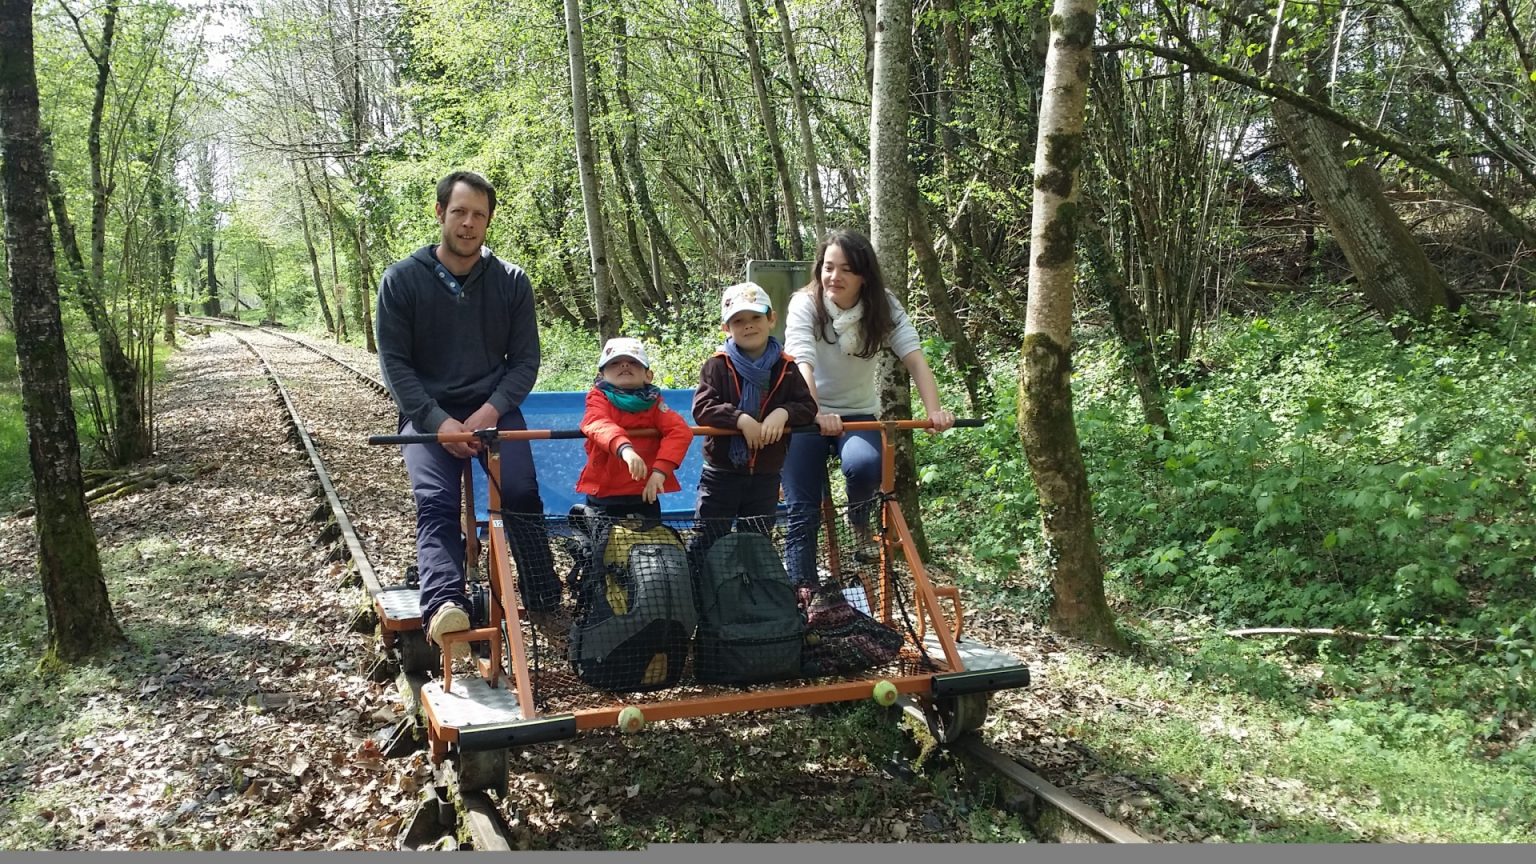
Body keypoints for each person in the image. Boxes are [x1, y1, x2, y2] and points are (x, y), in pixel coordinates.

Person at [376, 170, 560, 660]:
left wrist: (488, 412)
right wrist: (438, 423)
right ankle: (445, 606)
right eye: (459, 212)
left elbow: (525, 362)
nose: (468, 223)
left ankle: (543, 598)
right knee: (435, 502)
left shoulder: (512, 282)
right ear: (440, 213)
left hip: (493, 412)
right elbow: (395, 365)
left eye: (479, 214)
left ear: (489, 220)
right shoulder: (401, 280)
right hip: (427, 417)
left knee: (520, 493)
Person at [780, 228, 956, 587]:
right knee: (803, 508)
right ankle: (802, 590)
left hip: (857, 412)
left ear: (864, 275)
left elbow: (914, 357)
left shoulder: (882, 305)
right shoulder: (806, 304)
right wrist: (816, 413)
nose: (835, 277)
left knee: (866, 467)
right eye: (828, 267)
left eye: (846, 269)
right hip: (804, 413)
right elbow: (801, 362)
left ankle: (859, 520)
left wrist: (935, 411)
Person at [692, 282, 816, 551]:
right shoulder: (717, 365)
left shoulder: (787, 366)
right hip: (721, 473)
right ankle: (702, 579)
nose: (748, 325)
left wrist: (783, 413)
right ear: (727, 328)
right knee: (708, 540)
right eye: (738, 321)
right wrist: (739, 419)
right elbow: (702, 408)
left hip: (766, 473)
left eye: (756, 317)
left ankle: (750, 580)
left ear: (771, 319)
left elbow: (807, 406)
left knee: (756, 543)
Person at [575, 337, 693, 524]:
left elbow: (680, 431)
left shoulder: (655, 403)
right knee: (605, 541)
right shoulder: (597, 398)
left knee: (651, 540)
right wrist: (626, 450)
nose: (624, 365)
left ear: (648, 375)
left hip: (645, 492)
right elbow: (597, 422)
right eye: (615, 363)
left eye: (633, 362)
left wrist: (661, 471)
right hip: (604, 494)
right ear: (601, 375)